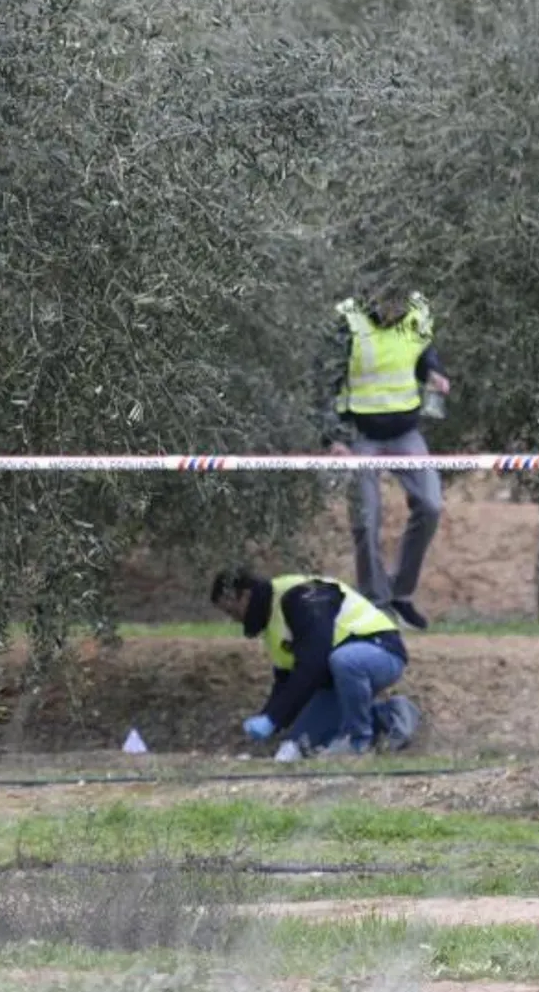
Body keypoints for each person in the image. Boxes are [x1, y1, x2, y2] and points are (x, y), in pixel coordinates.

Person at [319, 274, 450, 631]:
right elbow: (322, 382)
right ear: (372, 297)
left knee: (431, 504)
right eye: (389, 304)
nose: (395, 312)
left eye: (400, 305)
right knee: (366, 519)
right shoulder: (347, 322)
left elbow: (422, 352)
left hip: (406, 431)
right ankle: (377, 604)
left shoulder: (418, 311)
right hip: (360, 434)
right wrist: (333, 439)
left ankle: (400, 595)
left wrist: (434, 373)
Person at [210, 567, 420, 756]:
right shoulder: (271, 622)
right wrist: (270, 719)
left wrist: (273, 717)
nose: (234, 619)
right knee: (299, 743)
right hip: (335, 676)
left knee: (344, 661)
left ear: (245, 596)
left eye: (232, 611)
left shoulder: (300, 597)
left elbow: (314, 661)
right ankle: (391, 717)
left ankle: (358, 743)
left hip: (381, 650)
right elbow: (286, 682)